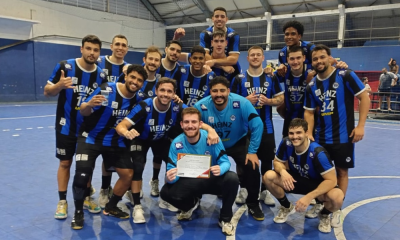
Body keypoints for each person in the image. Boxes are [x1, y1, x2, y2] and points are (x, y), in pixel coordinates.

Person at [115, 77, 219, 223]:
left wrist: (210, 129)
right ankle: (137, 206)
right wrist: (126, 132)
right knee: (138, 165)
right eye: (162, 90)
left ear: (174, 93)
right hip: (140, 139)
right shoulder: (145, 105)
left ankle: (166, 196)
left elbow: (194, 118)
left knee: (177, 162)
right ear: (156, 91)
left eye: (169, 91)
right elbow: (122, 125)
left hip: (160, 139)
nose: (165, 94)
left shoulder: (177, 106)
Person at [70, 64, 148, 229]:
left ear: (142, 84)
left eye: (139, 80)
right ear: (126, 76)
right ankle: (78, 212)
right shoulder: (107, 89)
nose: (135, 82)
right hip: (90, 138)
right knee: (82, 176)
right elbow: (83, 111)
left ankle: (111, 206)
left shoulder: (139, 99)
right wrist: (89, 104)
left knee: (128, 175)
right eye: (133, 77)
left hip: (115, 141)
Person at [303, 44, 370, 225]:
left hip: (343, 136)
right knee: (320, 173)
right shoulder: (311, 85)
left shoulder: (345, 75)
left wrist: (361, 125)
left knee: (341, 172)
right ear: (312, 62)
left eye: (322, 57)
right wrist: (309, 132)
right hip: (320, 138)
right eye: (315, 59)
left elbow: (364, 97)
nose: (319, 61)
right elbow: (309, 112)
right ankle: (320, 203)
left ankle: (335, 209)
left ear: (330, 58)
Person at [44, 35, 107, 220]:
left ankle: (86, 197)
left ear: (99, 53)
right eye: (88, 48)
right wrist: (59, 85)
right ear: (81, 49)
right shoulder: (65, 66)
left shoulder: (101, 74)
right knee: (65, 163)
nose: (92, 53)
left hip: (88, 128)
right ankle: (62, 201)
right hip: (66, 125)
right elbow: (47, 92)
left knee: (85, 165)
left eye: (95, 50)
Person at [194, 76, 265, 221]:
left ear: (228, 91)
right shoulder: (201, 106)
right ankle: (195, 199)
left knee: (252, 166)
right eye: (214, 91)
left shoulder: (241, 103)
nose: (218, 94)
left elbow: (257, 124)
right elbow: (193, 125)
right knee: (198, 167)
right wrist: (208, 130)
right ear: (210, 92)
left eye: (222, 91)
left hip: (237, 142)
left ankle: (253, 202)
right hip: (213, 145)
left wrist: (252, 152)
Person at [160, 107, 239, 236]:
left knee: (232, 178)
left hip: (210, 179)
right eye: (186, 122)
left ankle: (225, 217)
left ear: (200, 124)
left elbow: (226, 162)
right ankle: (190, 205)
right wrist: (170, 178)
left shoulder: (212, 138)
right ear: (181, 124)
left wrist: (221, 168)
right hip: (190, 182)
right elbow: (171, 172)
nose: (190, 126)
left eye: (194, 122)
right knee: (166, 193)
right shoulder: (176, 143)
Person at [263, 118, 344, 233]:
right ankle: (286, 207)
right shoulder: (286, 143)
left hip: (317, 185)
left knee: (337, 196)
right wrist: (283, 171)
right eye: (291, 133)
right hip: (296, 180)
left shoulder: (318, 153)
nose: (294, 137)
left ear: (306, 133)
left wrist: (309, 197)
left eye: (299, 133)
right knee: (268, 176)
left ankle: (324, 214)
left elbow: (331, 181)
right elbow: (276, 162)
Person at [231, 46, 284, 206]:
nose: (255, 57)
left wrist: (269, 101)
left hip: (266, 127)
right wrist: (245, 100)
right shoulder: (239, 78)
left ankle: (264, 191)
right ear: (247, 58)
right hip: (243, 129)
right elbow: (230, 102)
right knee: (243, 161)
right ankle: (244, 188)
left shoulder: (271, 78)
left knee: (267, 161)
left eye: (258, 55)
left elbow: (281, 98)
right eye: (252, 55)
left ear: (263, 58)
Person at [96, 34, 129, 208]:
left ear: (127, 49)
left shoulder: (129, 68)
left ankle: (125, 188)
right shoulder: (99, 63)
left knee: (115, 158)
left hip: (121, 121)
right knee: (100, 158)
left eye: (123, 45)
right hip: (100, 120)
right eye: (117, 44)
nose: (120, 47)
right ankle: (103, 188)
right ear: (111, 46)